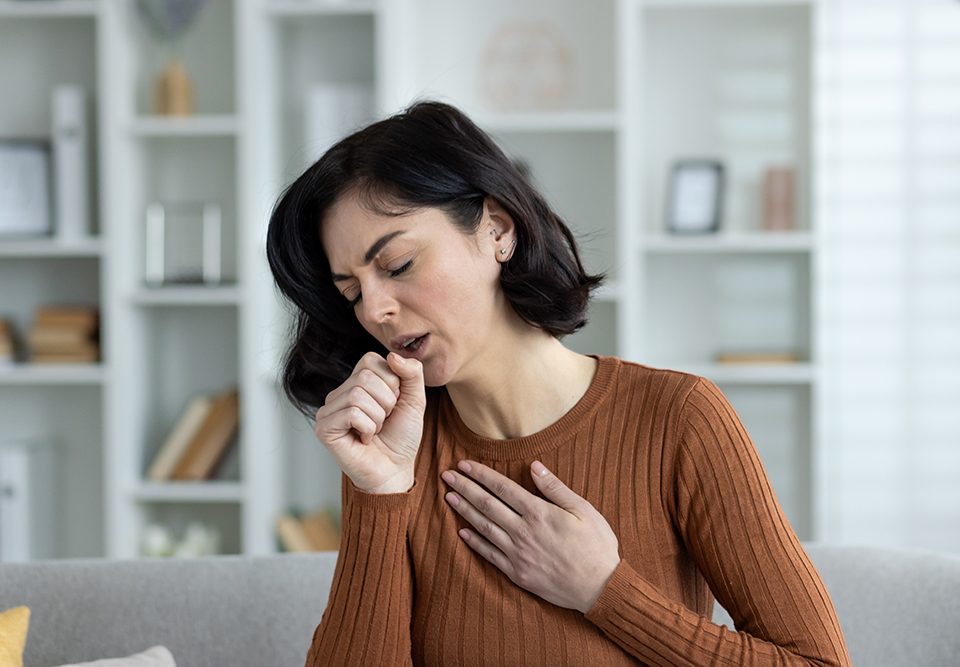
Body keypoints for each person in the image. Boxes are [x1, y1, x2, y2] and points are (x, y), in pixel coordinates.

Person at [266, 100, 852, 666]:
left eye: (397, 266)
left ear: (497, 229)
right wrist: (378, 493)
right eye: (351, 292)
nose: (375, 310)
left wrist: (605, 591)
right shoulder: (395, 453)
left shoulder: (679, 419)